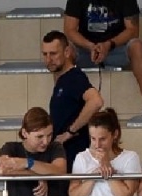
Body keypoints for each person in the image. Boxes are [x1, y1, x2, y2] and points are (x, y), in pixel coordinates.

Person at [62, 0, 142, 116]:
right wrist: (90, 46)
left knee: (137, 46)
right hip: (86, 50)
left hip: (116, 48)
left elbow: (133, 30)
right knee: (65, 50)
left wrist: (109, 45)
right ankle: (62, 104)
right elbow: (69, 30)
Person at [43, 32, 104, 168]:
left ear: (66, 52)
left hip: (74, 154)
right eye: (45, 54)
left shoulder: (74, 77)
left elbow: (96, 101)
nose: (48, 59)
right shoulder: (63, 79)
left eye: (53, 54)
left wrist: (70, 132)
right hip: (63, 154)